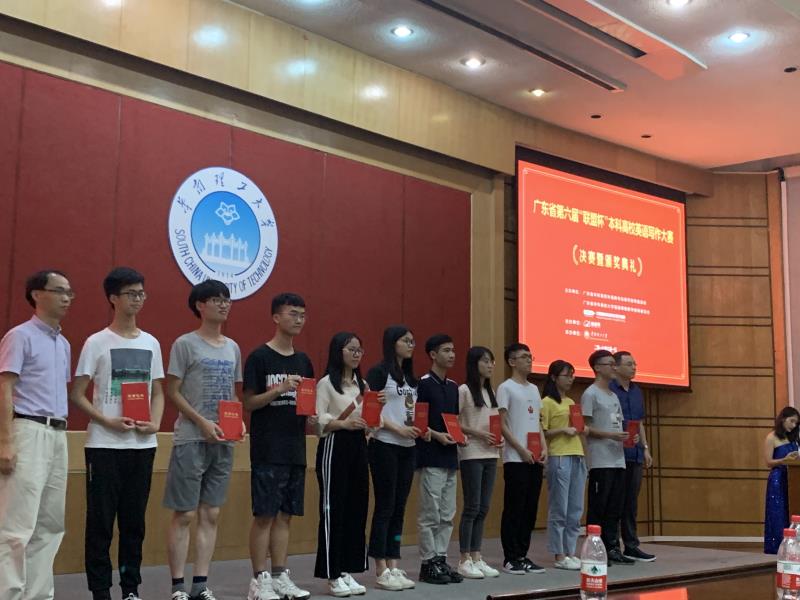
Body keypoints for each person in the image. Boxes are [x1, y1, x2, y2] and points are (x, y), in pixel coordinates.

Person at [71, 267, 165, 600]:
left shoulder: (151, 342)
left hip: (142, 445)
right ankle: (100, 591)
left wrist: (155, 422)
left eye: (141, 293)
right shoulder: (96, 342)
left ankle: (130, 589)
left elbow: (158, 392)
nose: (138, 299)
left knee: (134, 524)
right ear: (113, 298)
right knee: (100, 524)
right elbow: (77, 394)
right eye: (131, 293)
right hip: (104, 445)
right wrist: (106, 421)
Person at [164, 280, 244, 600]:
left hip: (223, 441)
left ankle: (200, 584)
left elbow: (233, 394)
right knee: (185, 514)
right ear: (200, 305)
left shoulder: (232, 347)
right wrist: (201, 422)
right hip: (191, 438)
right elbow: (172, 391)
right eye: (216, 299)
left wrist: (237, 422)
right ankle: (177, 586)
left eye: (227, 299)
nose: (224, 305)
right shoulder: (185, 344)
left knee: (211, 513)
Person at [0, 269, 73, 600]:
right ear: (36, 295)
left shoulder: (64, 344)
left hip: (58, 433)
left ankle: (39, 595)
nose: (66, 298)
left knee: (50, 524)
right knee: (17, 526)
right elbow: (5, 387)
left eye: (69, 292)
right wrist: (5, 441)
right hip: (28, 430)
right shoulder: (20, 336)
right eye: (59, 291)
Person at [245, 293, 314, 600]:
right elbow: (249, 402)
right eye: (292, 313)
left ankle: (279, 575)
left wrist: (313, 415)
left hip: (295, 446)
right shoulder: (259, 357)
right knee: (265, 515)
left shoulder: (304, 361)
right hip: (267, 448)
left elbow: (306, 404)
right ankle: (258, 579)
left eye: (302, 314)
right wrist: (279, 388)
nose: (299, 319)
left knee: (286, 514)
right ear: (276, 317)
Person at [314, 332, 371, 597]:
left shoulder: (363, 385)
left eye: (359, 350)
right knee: (333, 509)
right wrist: (344, 424)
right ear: (339, 352)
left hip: (359, 445)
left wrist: (371, 421)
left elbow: (370, 418)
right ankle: (332, 573)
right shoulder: (326, 384)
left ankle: (348, 569)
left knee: (356, 508)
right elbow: (318, 420)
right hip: (335, 445)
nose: (356, 354)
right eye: (351, 349)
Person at [365, 325, 421, 591]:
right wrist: (397, 428)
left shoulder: (411, 378)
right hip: (384, 444)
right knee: (385, 506)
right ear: (392, 343)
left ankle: (394, 563)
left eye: (412, 341)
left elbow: (413, 411)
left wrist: (417, 428)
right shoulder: (379, 372)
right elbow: (371, 409)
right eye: (405, 340)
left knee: (400, 507)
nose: (411, 345)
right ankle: (381, 567)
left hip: (408, 446)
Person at [416, 334, 463, 585]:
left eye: (453, 350)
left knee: (447, 513)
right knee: (430, 513)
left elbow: (453, 421)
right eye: (446, 350)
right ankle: (428, 562)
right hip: (431, 455)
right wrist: (437, 436)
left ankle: (441, 558)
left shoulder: (453, 387)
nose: (451, 354)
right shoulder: (423, 384)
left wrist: (459, 436)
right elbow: (419, 422)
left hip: (450, 457)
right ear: (433, 355)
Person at [497, 342, 547, 575]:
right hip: (516, 458)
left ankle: (523, 555)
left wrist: (544, 447)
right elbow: (502, 425)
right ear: (512, 361)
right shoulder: (506, 388)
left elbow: (537, 422)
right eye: (524, 356)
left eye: (530, 356)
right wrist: (520, 449)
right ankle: (510, 557)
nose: (529, 360)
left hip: (535, 457)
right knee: (514, 508)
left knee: (530, 508)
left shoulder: (534, 389)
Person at [582, 349, 634, 565]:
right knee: (599, 507)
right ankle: (595, 550)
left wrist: (627, 437)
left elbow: (617, 423)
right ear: (597, 367)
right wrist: (610, 435)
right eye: (609, 364)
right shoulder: (590, 394)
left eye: (615, 363)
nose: (614, 367)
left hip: (618, 458)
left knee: (615, 507)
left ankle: (612, 548)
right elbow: (584, 428)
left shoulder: (613, 396)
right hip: (600, 460)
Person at [455, 346, 501, 579]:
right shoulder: (464, 390)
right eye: (485, 361)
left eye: (492, 361)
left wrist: (498, 438)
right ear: (474, 364)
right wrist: (478, 433)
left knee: (483, 507)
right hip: (471, 453)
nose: (490, 365)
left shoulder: (490, 390)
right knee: (472, 507)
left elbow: (494, 422)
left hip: (491, 454)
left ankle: (476, 555)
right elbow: (454, 422)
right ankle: (464, 558)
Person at [610, 351, 656, 562]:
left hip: (635, 453)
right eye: (629, 364)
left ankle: (631, 545)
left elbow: (639, 422)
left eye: (635, 363)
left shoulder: (637, 391)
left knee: (631, 503)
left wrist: (645, 448)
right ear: (616, 367)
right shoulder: (610, 390)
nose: (634, 367)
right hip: (615, 453)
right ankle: (612, 545)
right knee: (615, 501)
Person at [540, 360, 585, 571]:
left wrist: (580, 428)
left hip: (577, 454)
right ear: (554, 377)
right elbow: (543, 431)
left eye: (572, 375)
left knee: (575, 508)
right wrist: (562, 430)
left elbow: (578, 427)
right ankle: (559, 554)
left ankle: (570, 552)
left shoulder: (571, 402)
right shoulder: (547, 402)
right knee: (559, 507)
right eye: (566, 375)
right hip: (559, 455)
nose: (571, 379)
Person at [764, 406, 800, 554]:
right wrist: (784, 460)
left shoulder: (793, 438)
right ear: (783, 419)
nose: (794, 425)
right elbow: (768, 462)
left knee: (791, 512)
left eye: (796, 423)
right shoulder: (771, 437)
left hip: (793, 478)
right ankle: (777, 547)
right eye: (792, 421)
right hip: (778, 479)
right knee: (778, 512)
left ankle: (792, 548)